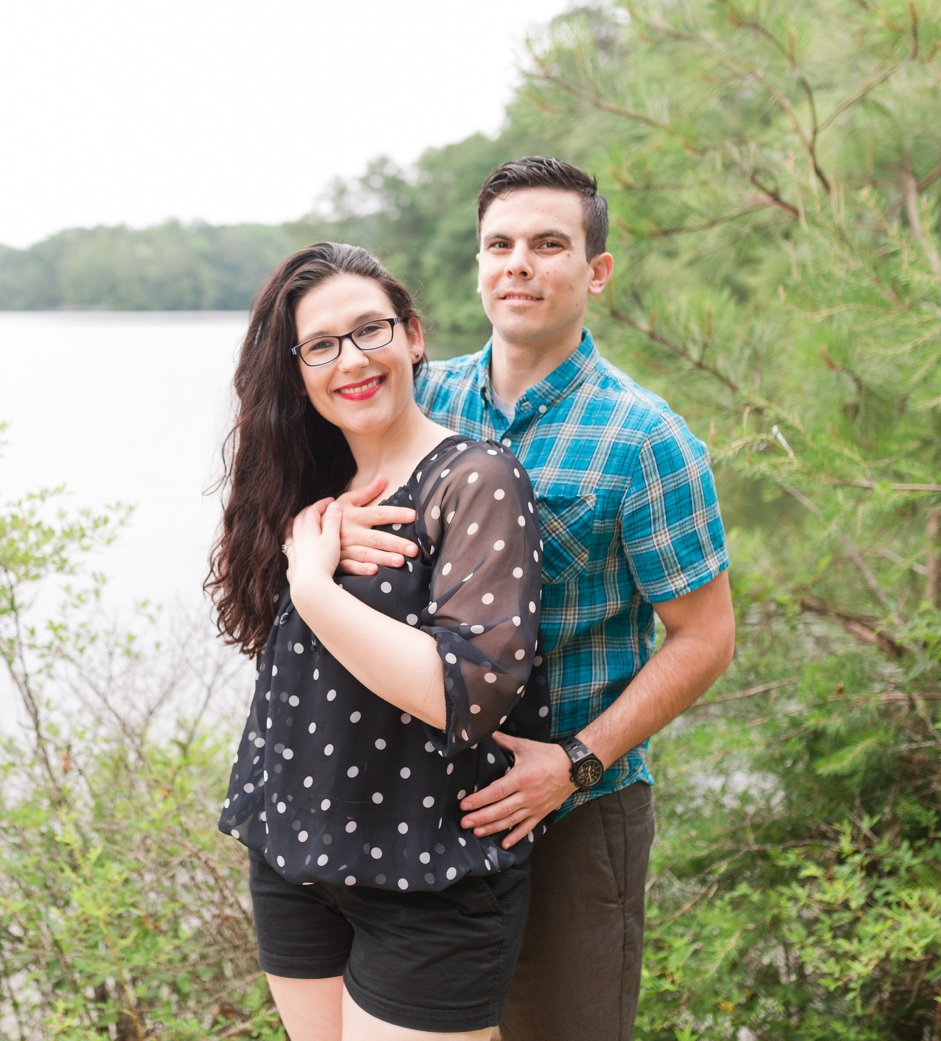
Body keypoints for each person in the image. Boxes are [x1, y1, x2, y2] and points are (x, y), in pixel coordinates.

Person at [334, 157, 737, 1041]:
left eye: (548, 244)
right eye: (500, 244)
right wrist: (327, 531)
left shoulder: (648, 441)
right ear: (478, 265)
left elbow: (705, 639)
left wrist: (575, 764)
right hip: (422, 798)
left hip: (574, 811)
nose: (519, 263)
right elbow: (319, 515)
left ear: (595, 271)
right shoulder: (419, 394)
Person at [209, 242, 548, 1039]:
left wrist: (315, 588)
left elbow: (462, 693)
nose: (350, 359)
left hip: (429, 873)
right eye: (321, 345)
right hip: (293, 853)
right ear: (296, 372)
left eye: (370, 330)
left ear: (414, 335)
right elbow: (255, 620)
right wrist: (300, 538)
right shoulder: (309, 492)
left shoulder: (476, 479)